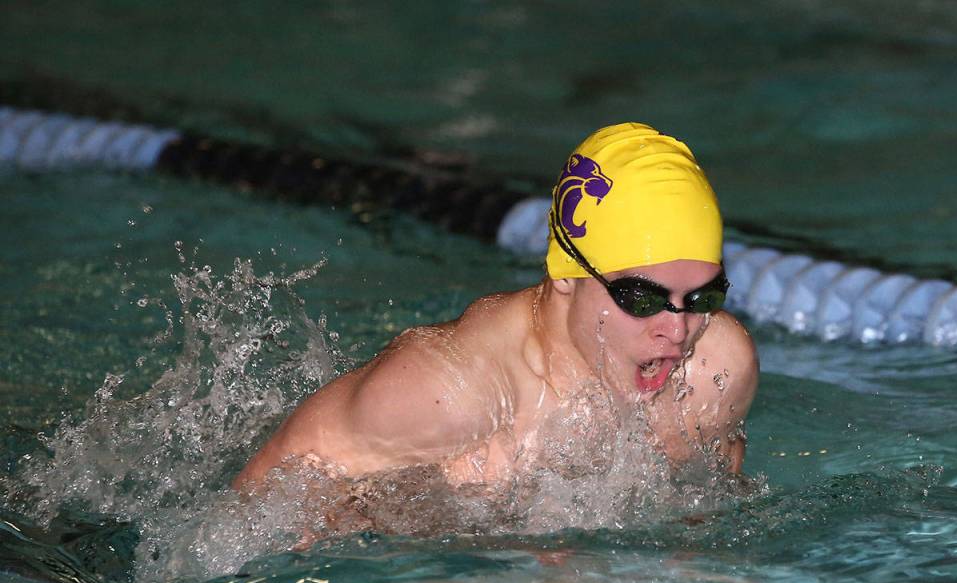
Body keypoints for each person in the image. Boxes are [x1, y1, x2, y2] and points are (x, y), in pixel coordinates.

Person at [233, 122, 758, 498]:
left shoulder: (717, 369)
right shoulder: (444, 392)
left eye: (703, 298)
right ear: (567, 276)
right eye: (642, 299)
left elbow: (711, 510)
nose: (679, 329)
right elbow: (256, 506)